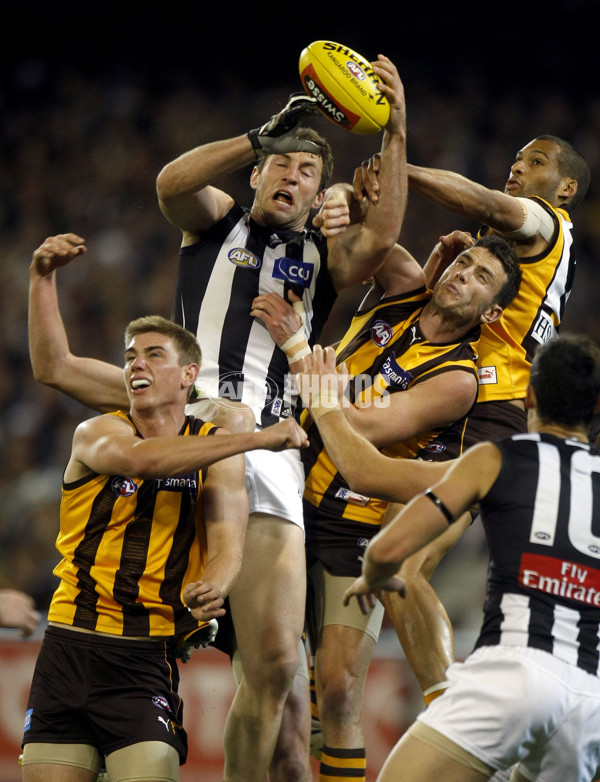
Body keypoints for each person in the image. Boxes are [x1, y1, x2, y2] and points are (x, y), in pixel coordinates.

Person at [155, 54, 408, 782]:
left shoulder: (320, 254)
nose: (291, 177)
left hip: (271, 452)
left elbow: (383, 240)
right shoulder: (214, 224)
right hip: (191, 429)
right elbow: (171, 183)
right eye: (281, 165)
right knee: (138, 640)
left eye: (306, 168)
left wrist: (393, 133)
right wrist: (257, 136)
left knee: (273, 672)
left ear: (317, 188)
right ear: (260, 172)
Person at [21, 235, 309, 782]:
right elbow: (141, 461)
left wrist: (216, 585)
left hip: (143, 657)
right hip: (68, 645)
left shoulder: (214, 448)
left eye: (153, 354)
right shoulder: (99, 432)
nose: (135, 364)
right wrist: (252, 437)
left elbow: (227, 542)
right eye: (129, 355)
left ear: (187, 376)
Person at [353, 133, 591, 705]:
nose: (517, 168)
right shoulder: (529, 253)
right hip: (471, 401)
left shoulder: (544, 220)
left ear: (567, 187)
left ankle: (447, 708)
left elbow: (486, 203)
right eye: (514, 159)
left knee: (403, 565)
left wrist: (399, 167)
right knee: (379, 548)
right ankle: (333, 693)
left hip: (487, 410)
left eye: (535, 162)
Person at [315, 332, 600, 782]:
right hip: (589, 698)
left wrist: (374, 573)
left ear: (529, 393)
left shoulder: (497, 458)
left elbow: (388, 540)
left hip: (515, 672)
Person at [296, 226, 521, 781]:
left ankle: (447, 700)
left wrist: (307, 368)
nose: (463, 275)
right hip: (288, 495)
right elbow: (369, 236)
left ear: (490, 314)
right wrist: (364, 186)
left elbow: (369, 427)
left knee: (340, 688)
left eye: (480, 277)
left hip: (355, 527)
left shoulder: (458, 379)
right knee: (276, 684)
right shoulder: (401, 292)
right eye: (463, 264)